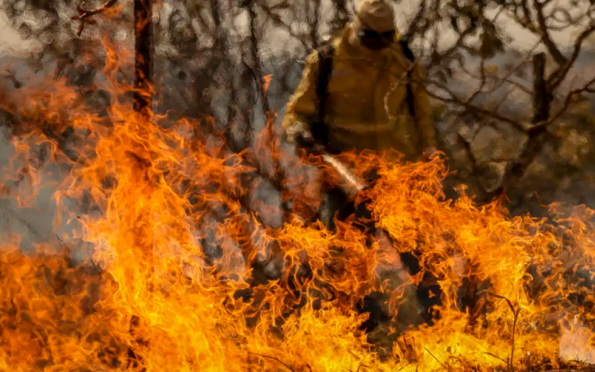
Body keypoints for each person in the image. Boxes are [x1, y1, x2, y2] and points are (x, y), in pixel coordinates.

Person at [281, 0, 441, 336]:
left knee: (416, 254)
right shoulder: (328, 60)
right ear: (358, 29)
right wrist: (298, 131)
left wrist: (429, 155)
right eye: (372, 37)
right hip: (345, 176)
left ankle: (439, 328)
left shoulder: (403, 59)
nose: (378, 45)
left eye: (385, 37)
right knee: (352, 259)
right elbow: (298, 111)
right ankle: (362, 331)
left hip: (396, 173)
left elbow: (421, 113)